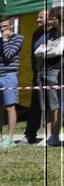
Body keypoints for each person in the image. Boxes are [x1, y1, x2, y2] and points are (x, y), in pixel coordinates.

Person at [0, 19, 23, 147]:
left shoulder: (18, 38)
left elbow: (9, 54)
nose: (3, 29)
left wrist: (5, 40)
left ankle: (10, 137)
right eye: (0, 27)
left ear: (11, 25)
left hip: (9, 75)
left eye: (5, 26)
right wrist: (1, 57)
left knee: (9, 106)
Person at [32, 8, 63, 147]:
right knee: (45, 105)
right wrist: (47, 51)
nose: (50, 21)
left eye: (53, 18)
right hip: (44, 70)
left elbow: (58, 51)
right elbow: (37, 51)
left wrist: (46, 51)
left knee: (55, 105)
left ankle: (55, 135)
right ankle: (47, 135)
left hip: (56, 71)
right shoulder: (49, 33)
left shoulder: (62, 34)